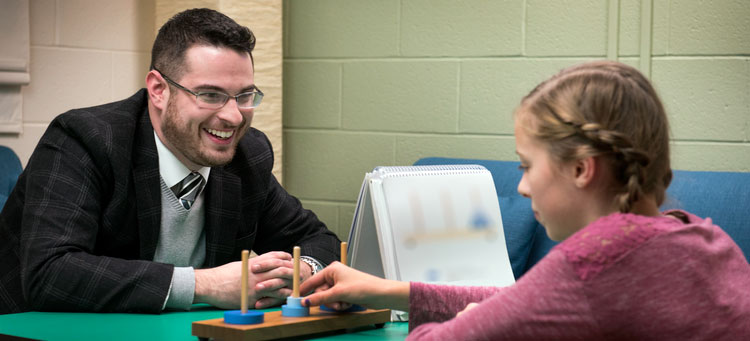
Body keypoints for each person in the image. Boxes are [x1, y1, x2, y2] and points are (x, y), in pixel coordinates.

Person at [299, 61, 750, 339]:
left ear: (580, 169)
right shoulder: (696, 234)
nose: (522, 187)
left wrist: (465, 323)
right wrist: (389, 291)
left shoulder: (596, 260)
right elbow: (523, 300)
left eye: (527, 165)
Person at [0, 8, 340, 315]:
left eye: (245, 96)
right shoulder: (84, 139)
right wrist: (206, 284)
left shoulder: (249, 153)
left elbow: (319, 240)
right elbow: (50, 273)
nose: (234, 116)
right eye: (210, 95)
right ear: (158, 89)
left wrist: (299, 272)